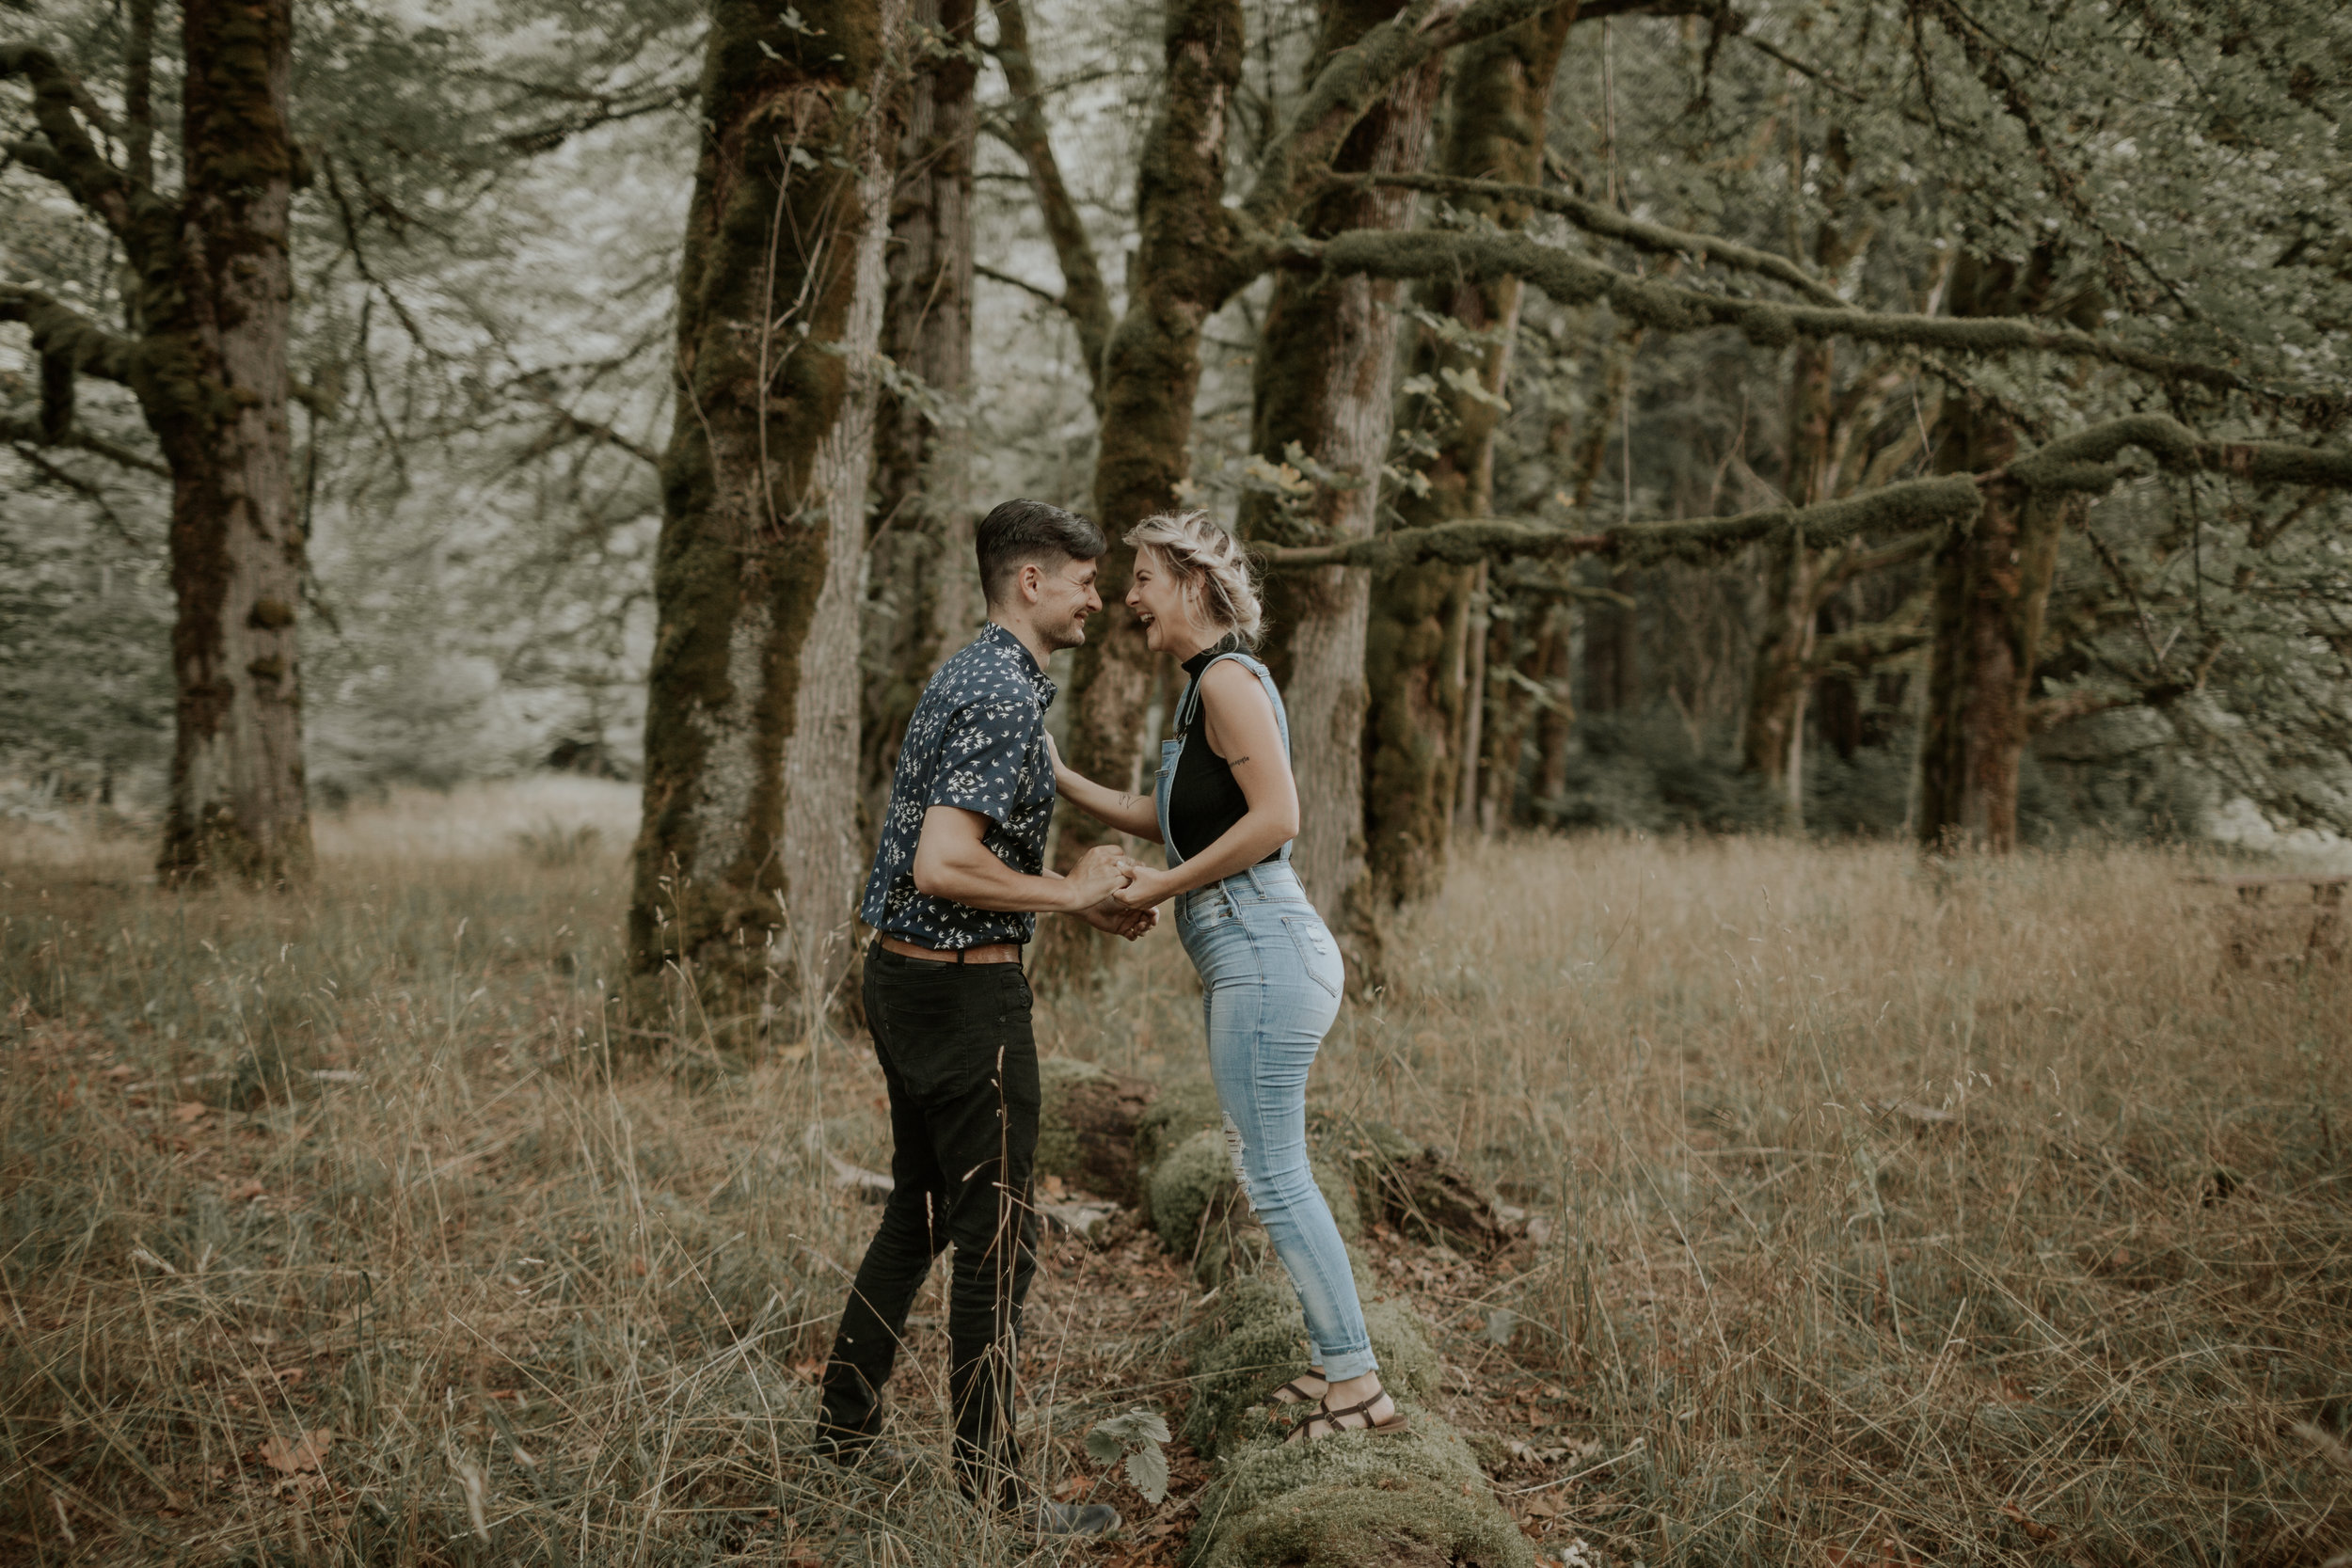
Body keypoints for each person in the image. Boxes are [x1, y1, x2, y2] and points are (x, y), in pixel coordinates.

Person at [815, 498, 1148, 1537]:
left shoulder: (981, 675)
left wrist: (1133, 849)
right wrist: (1075, 894)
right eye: (1086, 579)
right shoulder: (1002, 693)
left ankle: (842, 1427)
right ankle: (993, 1494)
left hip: (904, 979)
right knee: (997, 1235)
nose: (1101, 597)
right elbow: (944, 861)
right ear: (1032, 582)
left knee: (918, 1208)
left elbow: (1043, 791)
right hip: (961, 991)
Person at [1049, 510, 1406, 1443]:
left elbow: (1278, 814)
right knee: (1270, 1167)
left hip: (1264, 949)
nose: (1129, 596)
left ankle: (1359, 1383)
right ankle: (1338, 1361)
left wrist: (1163, 885)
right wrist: (1060, 776)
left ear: (1194, 584)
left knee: (1278, 1174)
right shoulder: (1202, 688)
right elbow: (1167, 814)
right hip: (1255, 950)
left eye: (1142, 579)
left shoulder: (1230, 679)